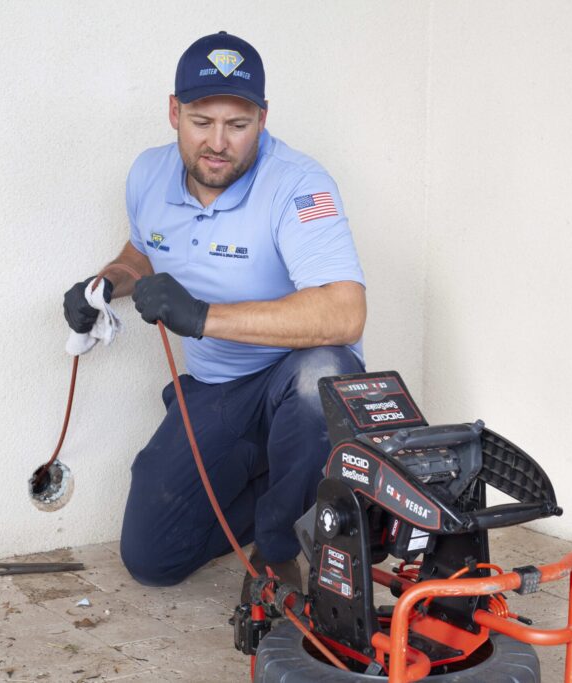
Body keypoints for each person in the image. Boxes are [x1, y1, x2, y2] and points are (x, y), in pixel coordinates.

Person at [63, 31, 367, 598]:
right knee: (152, 558)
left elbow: (345, 312)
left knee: (323, 372)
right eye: (202, 122)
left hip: (288, 382)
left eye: (239, 124)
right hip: (214, 387)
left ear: (263, 117)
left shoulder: (298, 184)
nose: (219, 143)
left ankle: (281, 546)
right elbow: (142, 251)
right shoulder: (148, 175)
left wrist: (203, 315)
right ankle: (295, 487)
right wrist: (107, 284)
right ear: (174, 112)